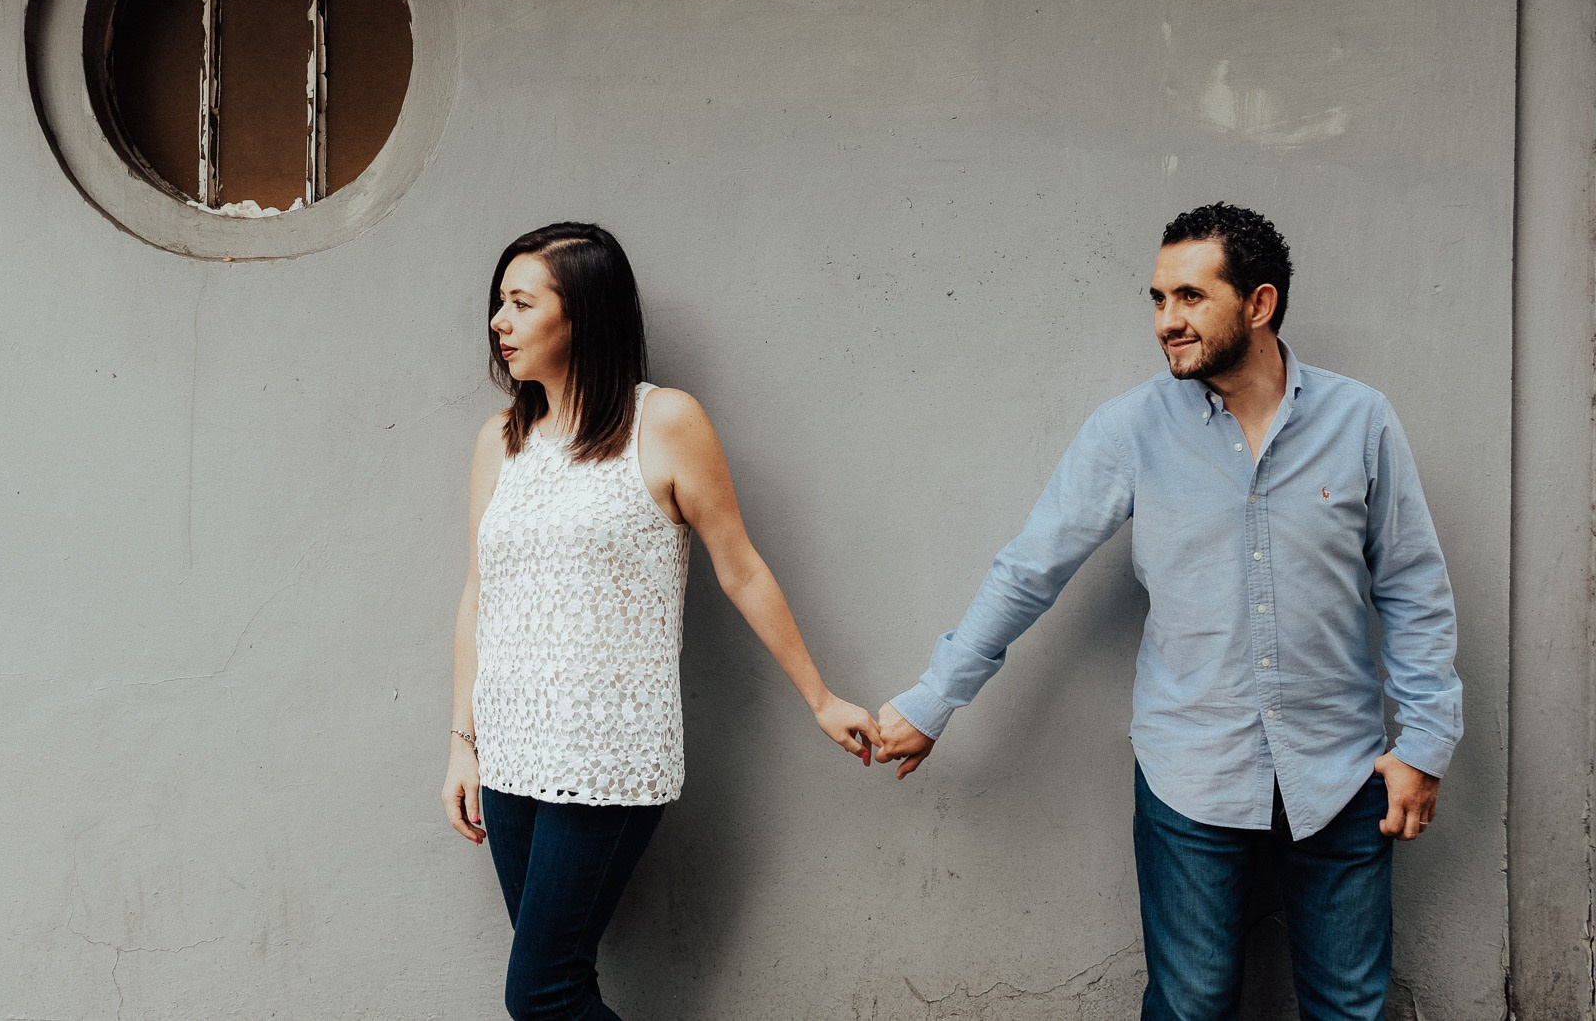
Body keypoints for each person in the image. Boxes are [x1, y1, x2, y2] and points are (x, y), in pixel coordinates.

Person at [870, 203, 1461, 1021]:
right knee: (1189, 1007)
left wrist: (1425, 742)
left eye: (1188, 297)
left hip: (1341, 774)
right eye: (1157, 298)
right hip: (1192, 775)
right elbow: (1029, 570)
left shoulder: (1361, 421)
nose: (1166, 322)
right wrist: (935, 700)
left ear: (1259, 304)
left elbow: (1413, 587)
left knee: (1351, 1008)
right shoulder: (1130, 429)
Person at [441, 221, 879, 1021]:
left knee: (539, 995)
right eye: (497, 302)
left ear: (582, 316)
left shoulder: (664, 421)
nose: (498, 321)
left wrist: (820, 696)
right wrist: (461, 744)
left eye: (520, 301)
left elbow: (740, 566)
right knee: (566, 981)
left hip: (608, 750)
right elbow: (480, 593)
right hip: (509, 750)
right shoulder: (499, 440)